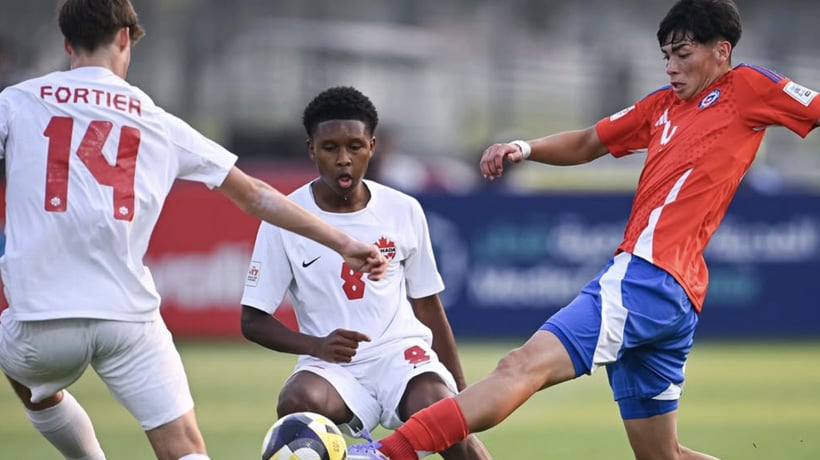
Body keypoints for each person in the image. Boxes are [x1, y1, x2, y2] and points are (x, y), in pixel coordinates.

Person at [348, 0, 820, 459]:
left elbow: (814, 106)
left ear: (722, 51)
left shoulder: (748, 86)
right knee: (661, 455)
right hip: (674, 293)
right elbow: (591, 140)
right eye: (666, 57)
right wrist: (523, 147)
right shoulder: (662, 107)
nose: (672, 67)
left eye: (683, 53)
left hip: (647, 276)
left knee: (520, 365)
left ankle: (388, 453)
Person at [0, 2, 387, 460]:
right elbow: (255, 195)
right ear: (125, 38)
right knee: (183, 448)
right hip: (125, 318)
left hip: (40, 321)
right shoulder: (157, 121)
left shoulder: (16, 101)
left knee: (32, 387)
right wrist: (342, 240)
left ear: (67, 43)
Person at [239, 86, 491, 460]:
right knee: (297, 400)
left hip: (399, 355)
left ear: (372, 147)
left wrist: (462, 394)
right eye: (330, 148)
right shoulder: (284, 219)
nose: (343, 159)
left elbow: (427, 306)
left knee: (442, 410)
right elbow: (252, 320)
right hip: (331, 364)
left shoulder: (403, 209)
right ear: (311, 149)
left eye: (355, 147)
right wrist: (316, 345)